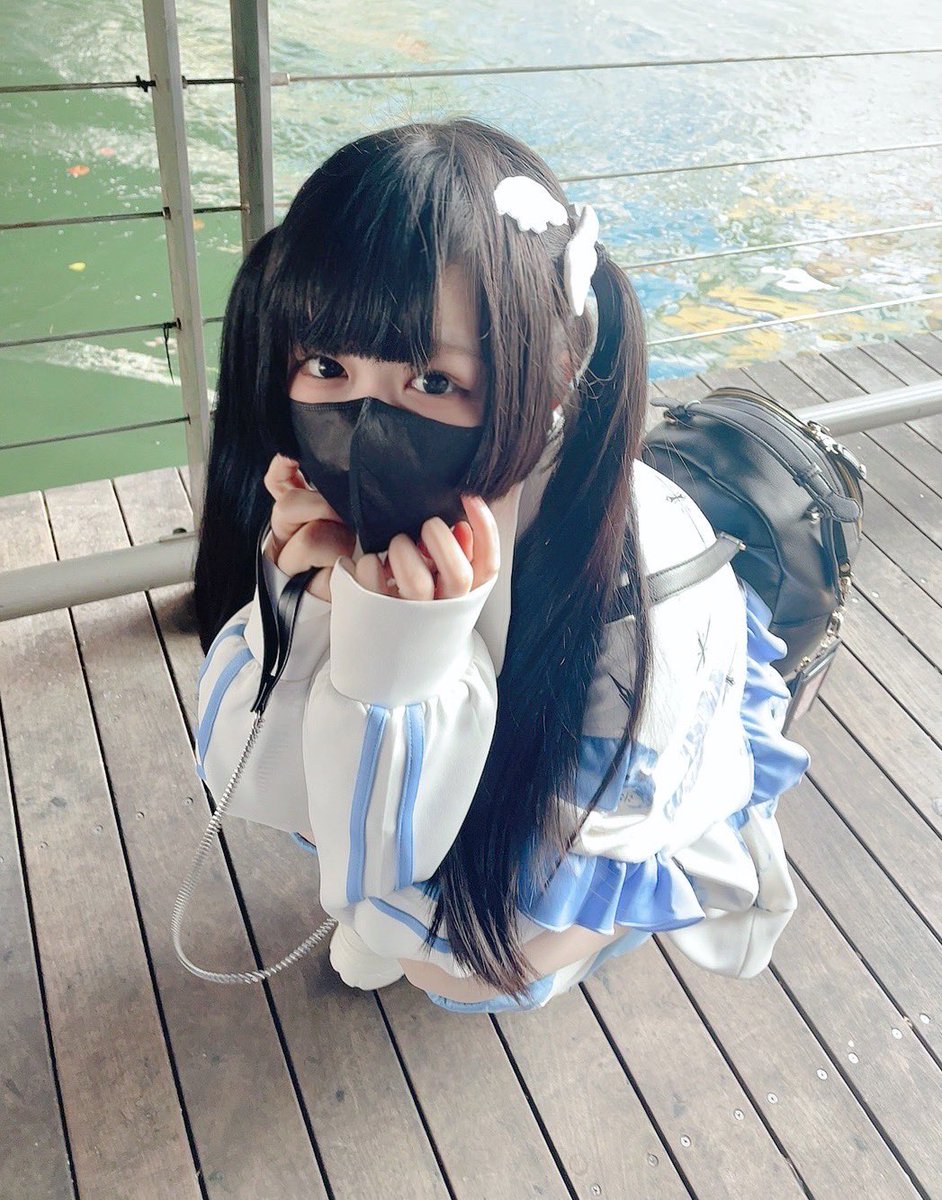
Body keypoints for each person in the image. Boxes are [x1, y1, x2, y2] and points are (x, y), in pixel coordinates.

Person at [192, 117, 811, 1013]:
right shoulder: (325, 506)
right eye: (326, 364)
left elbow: (550, 895)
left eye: (434, 381)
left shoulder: (641, 609)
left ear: (552, 374)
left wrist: (401, 667)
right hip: (441, 813)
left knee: (451, 970)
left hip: (562, 853)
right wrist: (318, 608)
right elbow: (262, 775)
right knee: (380, 895)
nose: (366, 428)